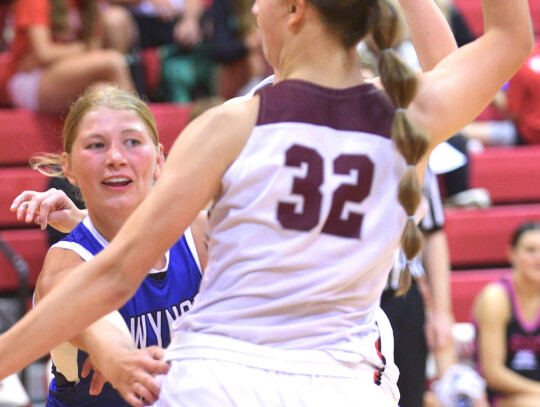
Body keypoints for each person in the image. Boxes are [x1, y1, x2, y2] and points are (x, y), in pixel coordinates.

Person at [0, 0, 533, 406]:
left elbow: (115, 274)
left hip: (224, 380)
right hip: (342, 384)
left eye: (261, 2)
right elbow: (509, 39)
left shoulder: (233, 124)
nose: (252, 10)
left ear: (297, 11)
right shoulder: (406, 116)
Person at [11, 86, 205, 406]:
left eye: (132, 142)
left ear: (158, 159)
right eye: (96, 145)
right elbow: (94, 322)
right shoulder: (66, 262)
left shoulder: (197, 231)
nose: (116, 158)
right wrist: (117, 358)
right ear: (68, 167)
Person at [6, 0, 134, 114]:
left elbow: (96, 44)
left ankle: (130, 135)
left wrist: (77, 51)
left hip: (66, 73)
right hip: (30, 78)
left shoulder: (86, 4)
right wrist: (86, 48)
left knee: (103, 90)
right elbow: (45, 53)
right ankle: (142, 130)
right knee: (112, 62)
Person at [473, 222, 540, 407]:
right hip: (498, 397)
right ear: (512, 254)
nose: (538, 258)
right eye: (531, 250)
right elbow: (493, 373)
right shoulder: (496, 298)